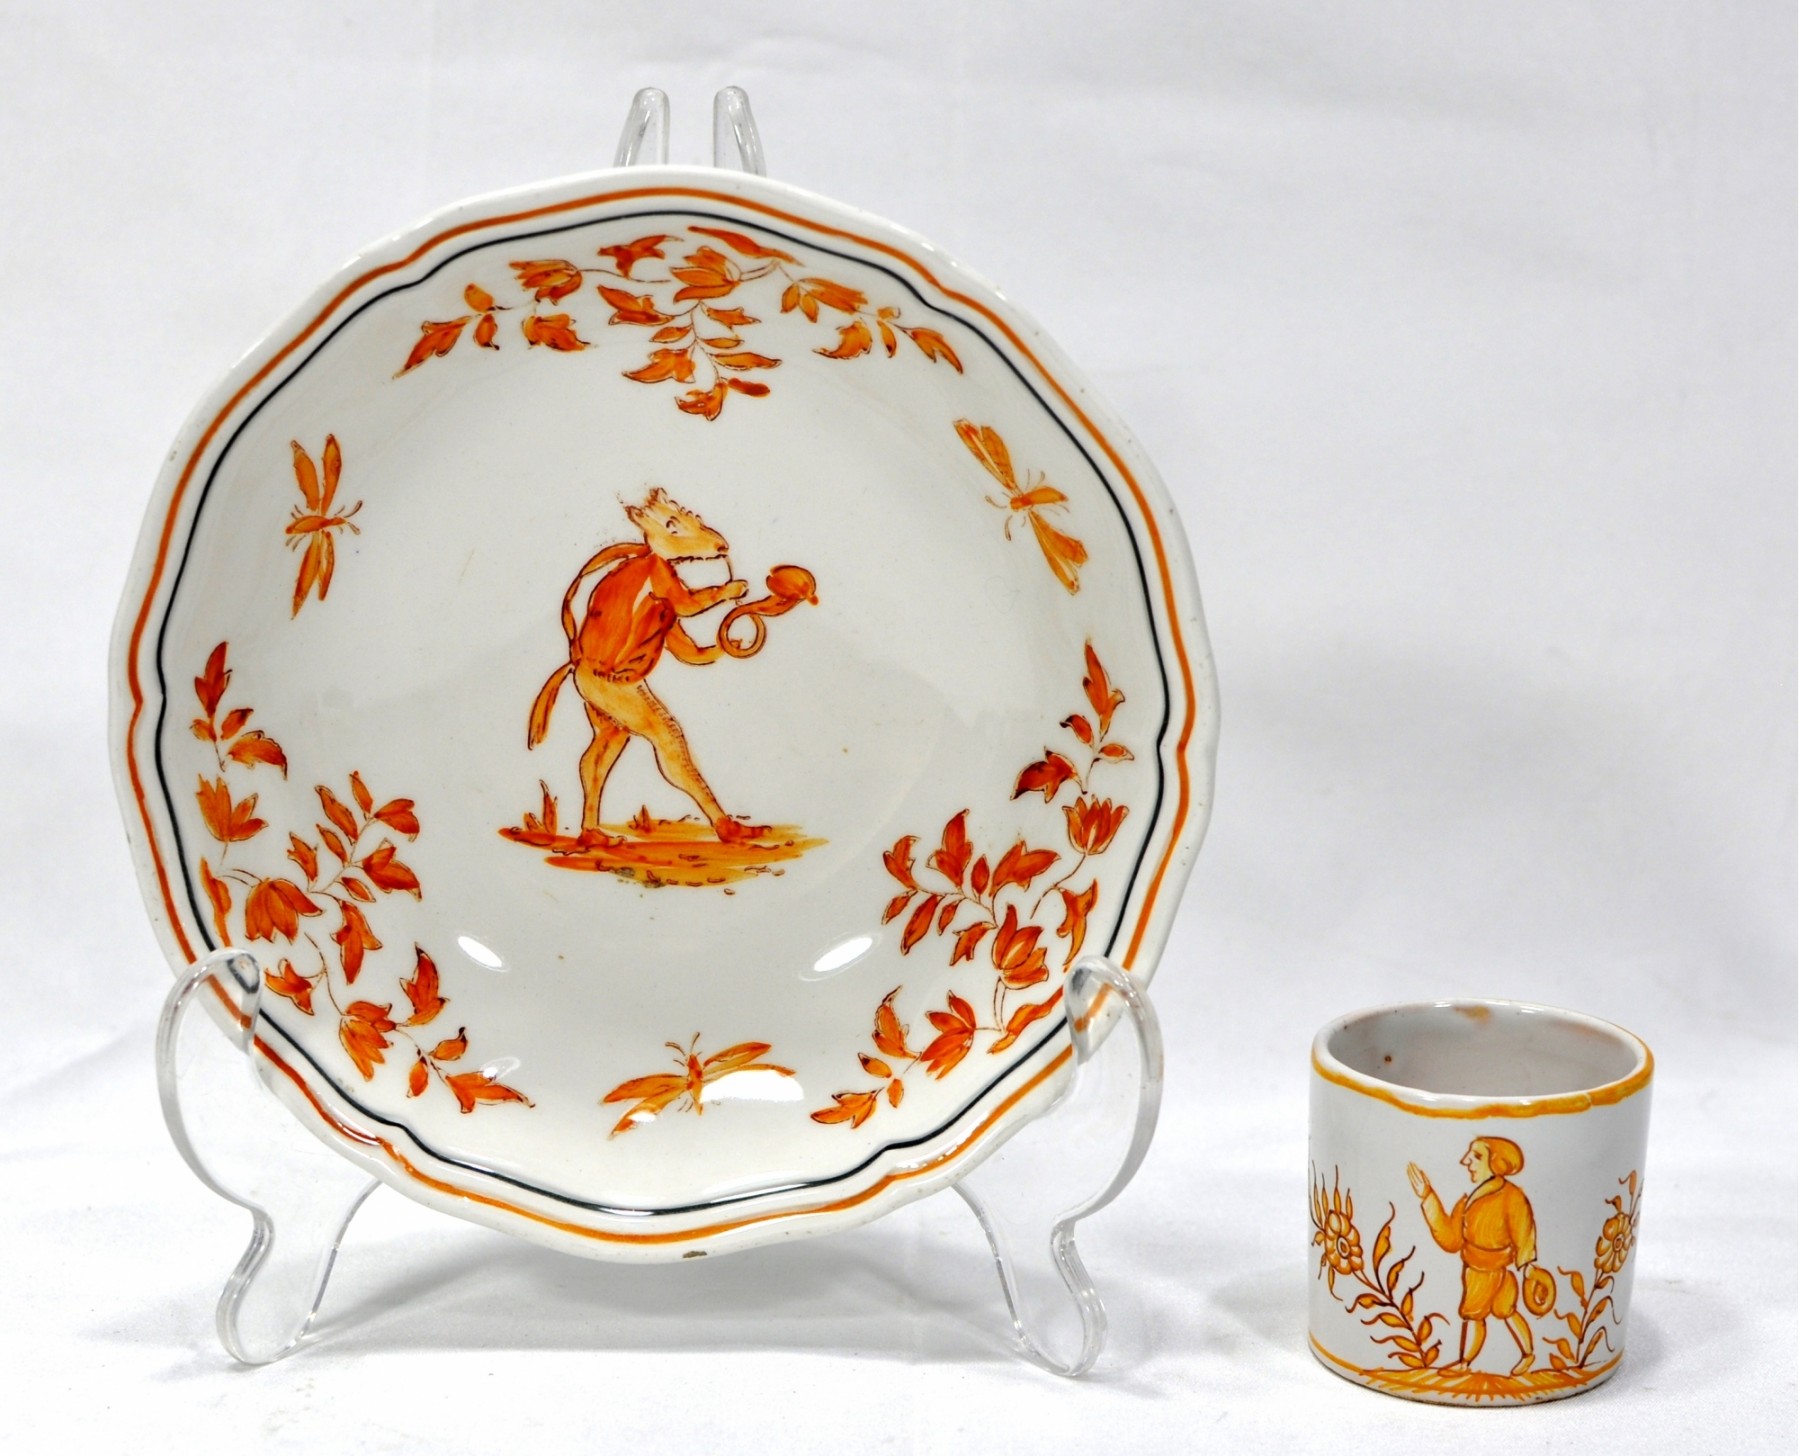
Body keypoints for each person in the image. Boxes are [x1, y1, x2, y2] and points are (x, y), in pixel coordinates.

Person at [1407, 1137, 1538, 1375]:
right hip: (1477, 1268)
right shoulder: (1468, 1202)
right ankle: (1480, 1360)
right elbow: (1451, 1239)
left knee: (1486, 1314)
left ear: (1496, 1162)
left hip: (1490, 1269)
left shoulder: (1511, 1197)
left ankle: (1470, 1363)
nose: (1465, 1161)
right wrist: (1428, 1196)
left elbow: (1524, 1231)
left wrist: (1528, 1266)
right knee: (1494, 1313)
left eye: (1476, 1156)